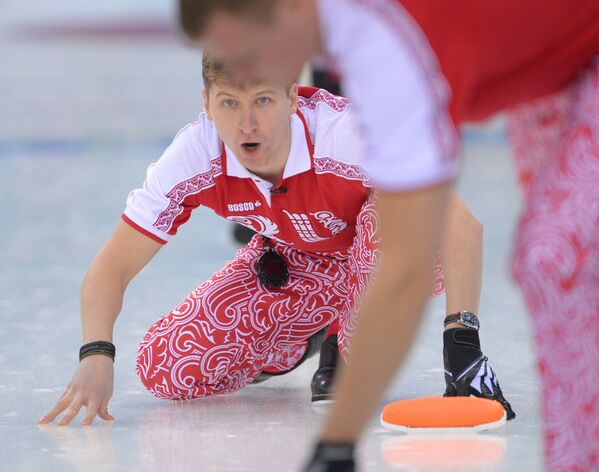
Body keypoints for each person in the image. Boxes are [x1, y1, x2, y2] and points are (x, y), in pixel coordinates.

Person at [177, 1, 599, 471]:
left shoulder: (392, 51)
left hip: (579, 58)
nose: (240, 76)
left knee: (558, 258)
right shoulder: (351, 49)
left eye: (247, 53)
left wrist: (460, 339)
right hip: (556, 78)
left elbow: (410, 264)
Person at [38, 54, 513, 429]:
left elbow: (462, 227)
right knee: (166, 365)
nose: (247, 124)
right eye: (229, 103)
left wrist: (462, 340)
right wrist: (96, 353)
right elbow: (110, 267)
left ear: (291, 95)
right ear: (206, 104)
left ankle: (346, 349)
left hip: (393, 250)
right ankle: (295, 340)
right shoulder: (194, 153)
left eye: (262, 101)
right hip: (301, 260)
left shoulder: (348, 135)